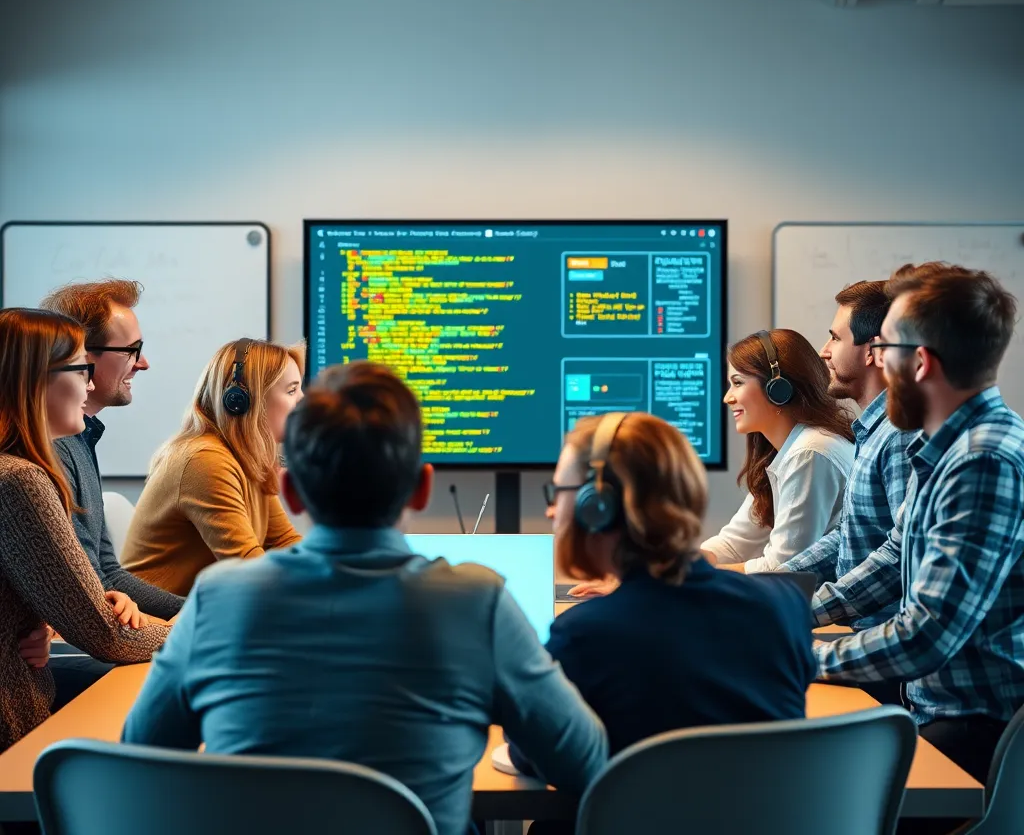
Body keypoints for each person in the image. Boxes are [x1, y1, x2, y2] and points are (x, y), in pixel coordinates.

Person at [122, 362, 607, 835]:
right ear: (422, 488)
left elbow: (142, 753)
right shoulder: (477, 603)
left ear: (289, 493)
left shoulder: (217, 598)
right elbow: (584, 762)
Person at [511, 411, 816, 775]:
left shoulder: (584, 634)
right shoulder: (784, 608)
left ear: (598, 506)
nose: (550, 510)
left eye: (558, 492)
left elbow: (533, 754)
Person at [813, 264, 1024, 786]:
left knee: (819, 803)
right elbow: (891, 557)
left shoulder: (983, 460)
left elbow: (928, 634)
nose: (877, 364)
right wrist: (793, 616)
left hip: (977, 731)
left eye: (884, 349)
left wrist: (800, 657)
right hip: (937, 709)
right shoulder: (946, 448)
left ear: (921, 363)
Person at [0, 309, 168, 751]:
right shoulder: (18, 481)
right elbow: (105, 633)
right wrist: (210, 631)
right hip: (14, 739)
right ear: (34, 379)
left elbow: (89, 596)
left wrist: (49, 618)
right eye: (81, 370)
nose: (90, 385)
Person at [781, 280, 917, 628]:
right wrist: (771, 587)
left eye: (836, 338)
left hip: (887, 649)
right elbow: (849, 535)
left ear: (873, 350)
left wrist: (782, 610)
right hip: (866, 637)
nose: (824, 351)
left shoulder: (900, 436)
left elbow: (900, 559)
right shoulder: (873, 431)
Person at [122, 339, 304, 596]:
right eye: (291, 390)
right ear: (241, 401)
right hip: (157, 623)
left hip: (197, 614)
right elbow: (250, 569)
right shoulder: (205, 460)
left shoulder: (246, 456)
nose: (302, 399)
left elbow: (283, 541)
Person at [701, 329, 855, 572]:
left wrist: (698, 575)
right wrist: (680, 563)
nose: (727, 398)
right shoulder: (787, 450)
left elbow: (781, 569)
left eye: (737, 383)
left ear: (778, 388)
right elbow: (735, 544)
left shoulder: (809, 452)